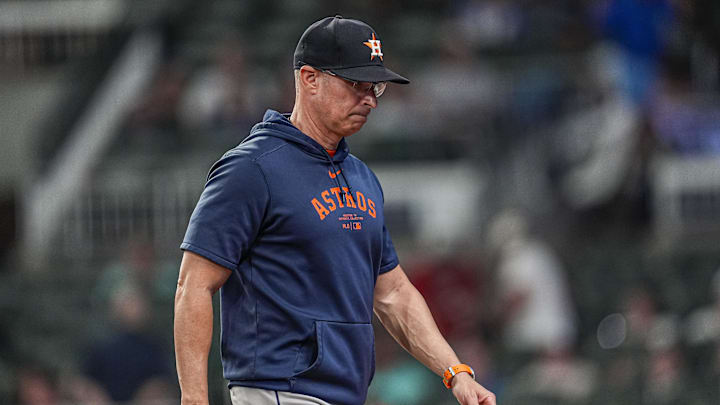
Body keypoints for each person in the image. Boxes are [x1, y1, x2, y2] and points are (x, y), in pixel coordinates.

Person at [174, 15, 496, 405]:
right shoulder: (252, 168)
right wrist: (194, 399)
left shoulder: (361, 177)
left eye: (374, 87)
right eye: (356, 85)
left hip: (346, 393)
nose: (370, 99)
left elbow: (392, 292)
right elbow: (193, 285)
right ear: (309, 78)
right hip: (280, 390)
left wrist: (455, 370)